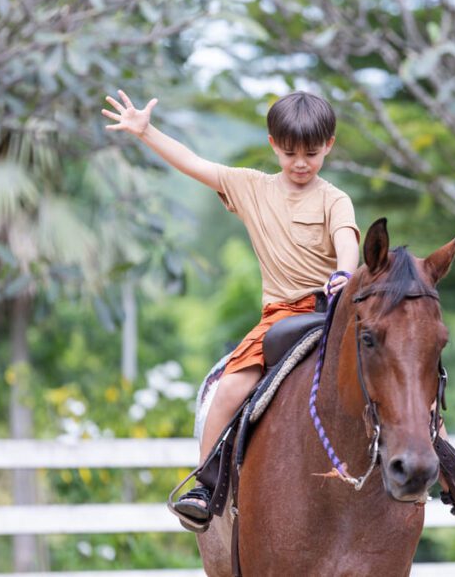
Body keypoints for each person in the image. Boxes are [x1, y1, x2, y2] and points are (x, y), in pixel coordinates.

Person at [102, 89, 361, 531]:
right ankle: (205, 485)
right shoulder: (250, 187)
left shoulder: (334, 199)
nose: (301, 163)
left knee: (402, 360)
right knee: (228, 389)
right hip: (283, 317)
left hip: (335, 306)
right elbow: (194, 163)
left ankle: (447, 464)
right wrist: (147, 133)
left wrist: (345, 272)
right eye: (290, 152)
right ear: (273, 144)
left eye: (312, 154)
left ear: (330, 145)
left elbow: (347, 241)